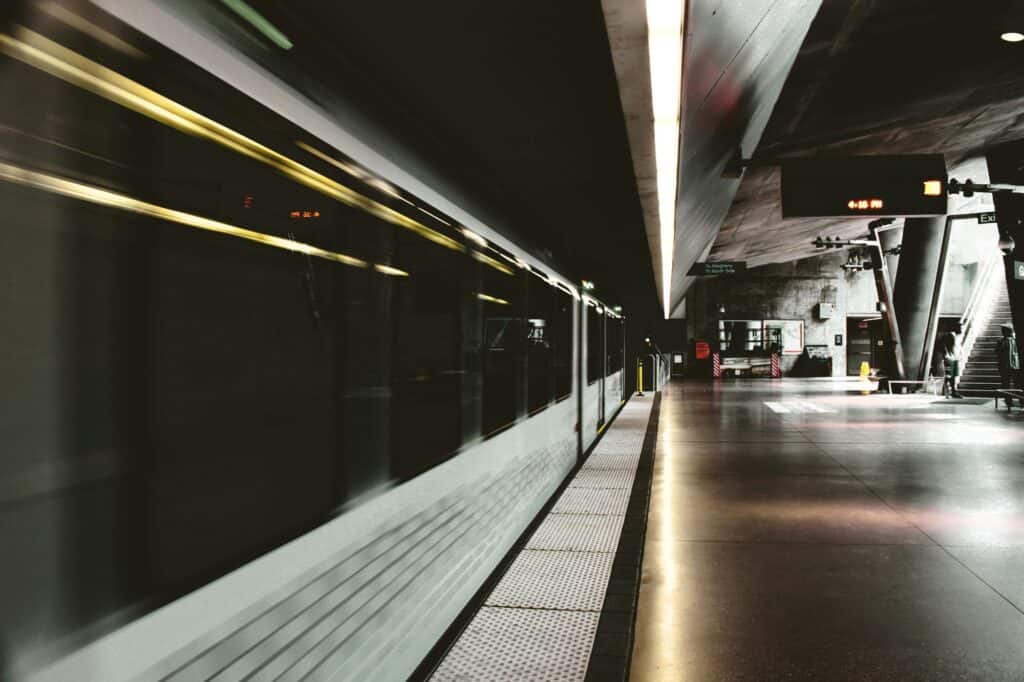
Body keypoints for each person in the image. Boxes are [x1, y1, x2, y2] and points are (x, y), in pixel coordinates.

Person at [996, 324, 1020, 408]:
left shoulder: (1016, 340)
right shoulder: (1000, 341)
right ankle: (1008, 401)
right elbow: (998, 353)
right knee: (1005, 385)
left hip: (1015, 366)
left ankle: (1021, 400)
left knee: (1018, 384)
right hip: (1005, 367)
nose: (1002, 332)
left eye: (1004, 330)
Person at [939, 323, 963, 399]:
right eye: (960, 327)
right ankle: (946, 392)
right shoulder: (949, 335)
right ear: (955, 328)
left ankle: (953, 391)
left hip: (955, 358)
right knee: (948, 376)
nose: (961, 329)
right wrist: (946, 354)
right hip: (949, 358)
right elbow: (941, 345)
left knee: (953, 376)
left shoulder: (957, 336)